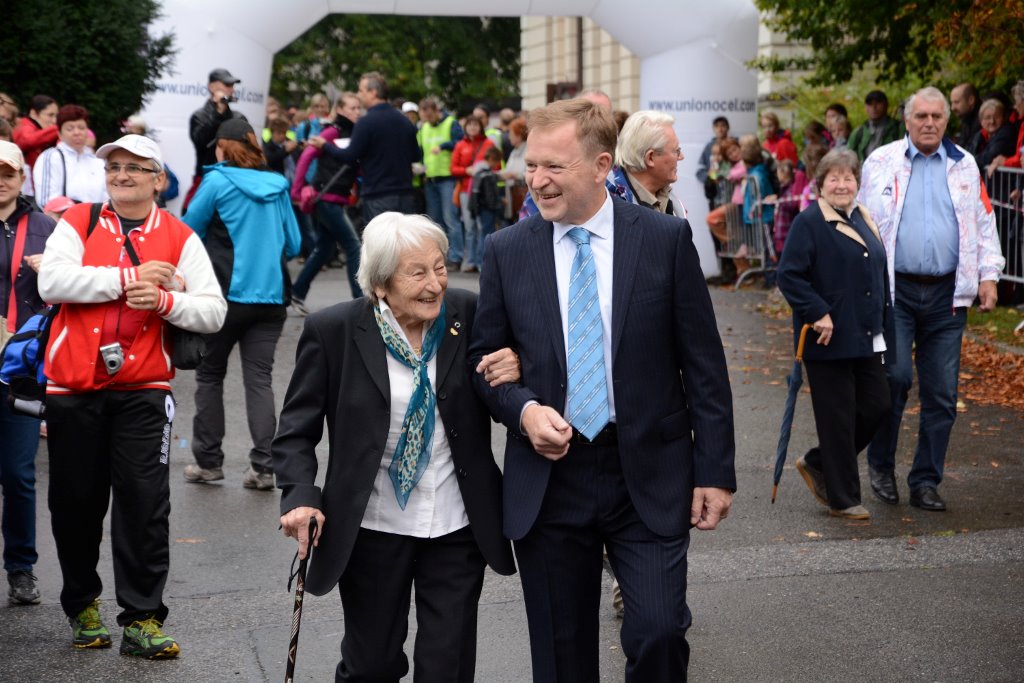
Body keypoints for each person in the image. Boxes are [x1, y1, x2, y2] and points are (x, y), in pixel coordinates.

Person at [468, 99, 735, 681]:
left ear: (601, 165)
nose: (537, 180)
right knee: (561, 659)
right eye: (531, 165)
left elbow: (704, 364)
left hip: (649, 471)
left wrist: (715, 471)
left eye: (554, 166)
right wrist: (524, 410)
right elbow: (482, 363)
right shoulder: (507, 251)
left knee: (660, 633)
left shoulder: (664, 239)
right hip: (550, 478)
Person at [273, 212, 517, 681]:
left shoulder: (467, 314)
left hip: (456, 521)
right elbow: (296, 429)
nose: (435, 284)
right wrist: (300, 495)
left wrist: (515, 363)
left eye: (440, 268)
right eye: (417, 273)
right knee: (372, 665)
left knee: (447, 666)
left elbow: (507, 371)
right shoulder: (334, 331)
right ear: (380, 284)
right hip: (373, 524)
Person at [37, 133, 226, 658]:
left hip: (144, 389)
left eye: (135, 168)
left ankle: (142, 617)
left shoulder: (181, 236)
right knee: (76, 502)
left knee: (145, 505)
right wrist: (127, 279)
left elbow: (213, 311)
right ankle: (82, 605)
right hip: (73, 387)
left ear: (158, 179)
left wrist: (165, 301)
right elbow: (52, 283)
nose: (121, 175)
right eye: (114, 167)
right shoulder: (77, 221)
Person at [860, 87, 1004, 512]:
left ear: (946, 120)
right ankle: (881, 466)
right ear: (907, 120)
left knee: (941, 394)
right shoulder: (880, 161)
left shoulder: (965, 164)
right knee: (895, 378)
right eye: (921, 116)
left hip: (948, 295)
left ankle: (925, 480)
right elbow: (859, 222)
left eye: (936, 116)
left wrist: (989, 276)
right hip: (895, 293)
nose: (928, 123)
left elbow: (984, 221)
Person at [181, 119, 301, 489]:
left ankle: (208, 463)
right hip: (271, 298)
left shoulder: (216, 182)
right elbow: (294, 244)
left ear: (222, 147)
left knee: (210, 375)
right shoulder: (277, 184)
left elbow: (187, 232)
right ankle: (264, 467)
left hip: (223, 297)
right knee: (259, 379)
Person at [777, 148, 893, 520]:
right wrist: (817, 312)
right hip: (827, 339)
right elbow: (789, 275)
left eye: (848, 177)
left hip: (866, 334)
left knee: (879, 405)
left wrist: (886, 326)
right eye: (834, 178)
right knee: (837, 419)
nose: (842, 184)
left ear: (857, 182)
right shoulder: (809, 222)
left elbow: (878, 274)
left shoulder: (862, 216)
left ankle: (818, 462)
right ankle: (844, 499)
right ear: (821, 183)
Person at [0, 141, 56, 606]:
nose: (0, 181)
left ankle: (21, 568)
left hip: (22, 365)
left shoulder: (45, 227)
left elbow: (68, 290)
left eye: (8, 173)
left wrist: (50, 271)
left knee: (18, 473)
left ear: (22, 179)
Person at [309, 72, 420, 223]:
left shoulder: (366, 122)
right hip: (405, 194)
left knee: (380, 237)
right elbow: (416, 155)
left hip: (378, 195)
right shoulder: (404, 121)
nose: (358, 95)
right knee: (404, 237)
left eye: (361, 90)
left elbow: (350, 156)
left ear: (373, 92)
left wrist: (325, 146)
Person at [291, 93, 364, 308]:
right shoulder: (333, 131)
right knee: (353, 246)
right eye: (352, 108)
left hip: (335, 198)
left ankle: (297, 292)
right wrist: (296, 190)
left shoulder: (352, 132)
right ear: (339, 109)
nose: (357, 112)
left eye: (358, 108)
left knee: (324, 248)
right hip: (326, 198)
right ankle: (360, 301)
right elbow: (306, 156)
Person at [185, 68, 246, 211]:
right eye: (227, 85)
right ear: (212, 87)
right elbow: (201, 142)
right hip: (205, 180)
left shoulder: (238, 117)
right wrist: (218, 112)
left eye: (232, 86)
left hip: (233, 180)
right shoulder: (199, 116)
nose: (231, 89)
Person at [417, 97, 465, 265]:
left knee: (450, 219)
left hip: (447, 178)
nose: (428, 120)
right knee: (434, 222)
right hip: (430, 178)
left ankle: (456, 256)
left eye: (430, 116)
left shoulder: (451, 123)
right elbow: (422, 151)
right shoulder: (424, 128)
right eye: (425, 117)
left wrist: (445, 146)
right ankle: (438, 257)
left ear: (437, 110)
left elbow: (460, 144)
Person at [615, 110, 687, 217]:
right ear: (650, 158)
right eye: (676, 151)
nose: (681, 157)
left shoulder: (669, 199)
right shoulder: (611, 206)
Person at [32, 105, 107, 207]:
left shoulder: (97, 161)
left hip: (96, 215)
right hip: (63, 216)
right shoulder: (51, 157)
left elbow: (106, 196)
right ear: (60, 134)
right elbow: (46, 201)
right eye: (70, 129)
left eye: (81, 128)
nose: (77, 133)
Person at [450, 115, 494, 273]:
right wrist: (466, 170)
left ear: (481, 127)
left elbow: (496, 165)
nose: (473, 127)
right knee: (469, 228)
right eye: (470, 124)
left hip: (484, 192)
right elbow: (453, 168)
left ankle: (483, 262)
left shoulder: (489, 144)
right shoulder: (460, 145)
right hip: (465, 191)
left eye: (476, 124)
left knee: (483, 228)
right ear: (465, 127)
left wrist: (482, 169)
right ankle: (470, 261)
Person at [12, 95, 58, 198]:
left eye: (56, 116)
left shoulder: (40, 130)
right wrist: (59, 128)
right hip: (25, 191)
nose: (54, 120)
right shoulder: (25, 126)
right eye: (50, 115)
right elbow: (28, 140)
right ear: (33, 113)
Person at [848, 90, 902, 161]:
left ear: (886, 105)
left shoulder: (898, 128)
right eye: (870, 104)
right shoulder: (859, 132)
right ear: (866, 107)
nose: (874, 107)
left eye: (878, 103)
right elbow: (849, 158)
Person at [695, 116, 730, 185]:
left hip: (732, 184)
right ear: (713, 128)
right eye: (717, 126)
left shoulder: (733, 145)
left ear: (728, 127)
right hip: (715, 186)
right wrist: (709, 175)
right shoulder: (709, 147)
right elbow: (699, 171)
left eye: (723, 125)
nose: (720, 129)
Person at [950, 83, 981, 149]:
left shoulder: (983, 122)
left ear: (971, 100)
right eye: (952, 103)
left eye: (956, 102)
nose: (952, 108)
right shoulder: (967, 119)